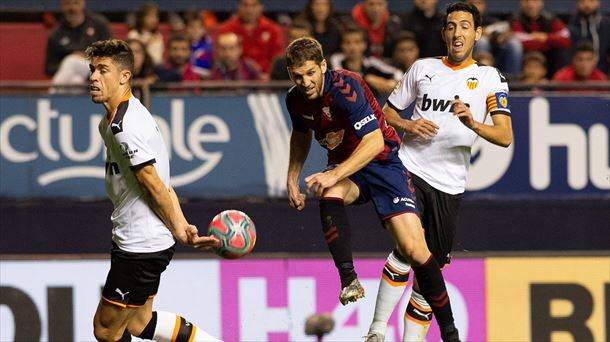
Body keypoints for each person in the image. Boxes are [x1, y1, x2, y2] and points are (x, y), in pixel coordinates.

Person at [284, 37, 460, 342]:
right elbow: (301, 135)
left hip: (382, 165)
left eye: (311, 73)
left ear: (323, 65)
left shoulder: (346, 87)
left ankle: (450, 334)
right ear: (290, 74)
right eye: (298, 76)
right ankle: (349, 279)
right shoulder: (295, 99)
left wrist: (334, 173)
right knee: (330, 192)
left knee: (416, 251)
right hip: (351, 171)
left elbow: (375, 141)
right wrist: (292, 176)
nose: (306, 82)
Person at [366, 3, 512, 341]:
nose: (457, 32)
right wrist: (408, 123)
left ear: (477, 33)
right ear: (444, 32)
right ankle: (376, 330)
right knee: (407, 246)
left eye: (464, 26)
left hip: (450, 185)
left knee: (429, 271)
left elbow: (504, 136)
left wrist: (473, 122)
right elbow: (387, 113)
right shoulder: (422, 69)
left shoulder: (490, 78)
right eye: (450, 26)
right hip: (411, 170)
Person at [86, 39, 220, 342]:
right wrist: (181, 225)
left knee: (106, 330)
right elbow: (161, 181)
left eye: (103, 70)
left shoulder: (125, 127)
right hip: (142, 239)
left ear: (124, 76)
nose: (93, 77)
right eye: (92, 69)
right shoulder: (116, 119)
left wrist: (179, 228)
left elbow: (153, 184)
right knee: (139, 322)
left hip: (140, 245)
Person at [329, 26, 402, 99]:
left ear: (365, 45)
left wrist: (393, 83)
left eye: (357, 42)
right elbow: (340, 81)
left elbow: (398, 73)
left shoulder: (371, 62)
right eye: (347, 43)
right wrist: (367, 79)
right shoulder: (336, 59)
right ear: (342, 45)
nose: (352, 47)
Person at [45, 0, 111, 79]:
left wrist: (84, 57)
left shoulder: (98, 24)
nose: (72, 8)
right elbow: (49, 67)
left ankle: (53, 91)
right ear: (61, 6)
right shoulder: (56, 34)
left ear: (83, 3)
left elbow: (111, 53)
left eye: (76, 3)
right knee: (76, 80)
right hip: (76, 78)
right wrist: (65, 62)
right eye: (67, 3)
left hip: (98, 68)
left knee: (71, 62)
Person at [218, 0, 283, 77]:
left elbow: (277, 59)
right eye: (245, 5)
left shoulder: (273, 30)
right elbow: (220, 58)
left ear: (261, 7)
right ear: (238, 6)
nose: (249, 10)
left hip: (267, 82)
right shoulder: (226, 29)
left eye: (254, 5)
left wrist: (269, 77)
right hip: (235, 81)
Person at [510, 0, 572, 77]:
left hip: (549, 59)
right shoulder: (515, 20)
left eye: (534, 1)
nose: (530, 5)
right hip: (525, 57)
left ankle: (559, 83)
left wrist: (546, 37)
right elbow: (522, 42)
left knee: (561, 51)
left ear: (541, 2)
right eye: (526, 1)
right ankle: (514, 83)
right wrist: (547, 41)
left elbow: (566, 39)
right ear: (520, 2)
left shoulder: (550, 19)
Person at [466, 0, 523, 77]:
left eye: (479, 3)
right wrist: (477, 34)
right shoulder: (457, 22)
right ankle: (482, 77)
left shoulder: (493, 21)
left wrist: (499, 37)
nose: (476, 7)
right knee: (482, 41)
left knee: (514, 44)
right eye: (472, 3)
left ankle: (513, 80)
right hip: (468, 60)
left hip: (497, 60)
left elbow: (499, 38)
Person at [568, 0, 610, 74]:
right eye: (582, 1)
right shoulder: (567, 25)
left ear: (598, 2)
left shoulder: (607, 25)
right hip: (574, 77)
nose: (587, 5)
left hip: (603, 75)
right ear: (577, 3)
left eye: (591, 1)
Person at [184, 10, 214, 79]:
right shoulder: (183, 45)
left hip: (203, 80)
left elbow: (207, 72)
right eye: (192, 27)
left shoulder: (207, 45)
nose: (195, 30)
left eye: (199, 27)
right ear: (186, 28)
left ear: (203, 29)